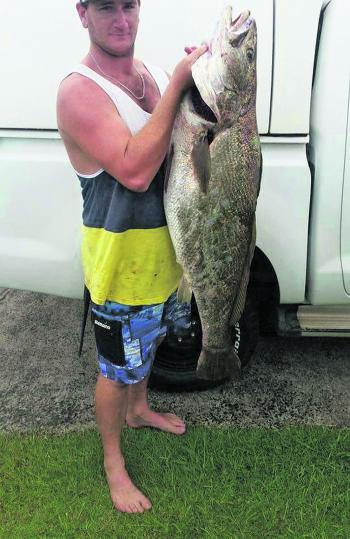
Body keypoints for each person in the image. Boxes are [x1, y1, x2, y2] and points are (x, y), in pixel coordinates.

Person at [56, 0, 207, 515]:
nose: (121, 20)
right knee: (116, 369)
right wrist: (177, 86)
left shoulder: (153, 74)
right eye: (106, 8)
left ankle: (140, 411)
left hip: (166, 259)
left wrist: (198, 83)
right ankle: (113, 464)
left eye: (129, 5)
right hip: (122, 269)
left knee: (149, 349)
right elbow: (136, 171)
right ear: (83, 13)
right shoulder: (79, 91)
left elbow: (182, 143)